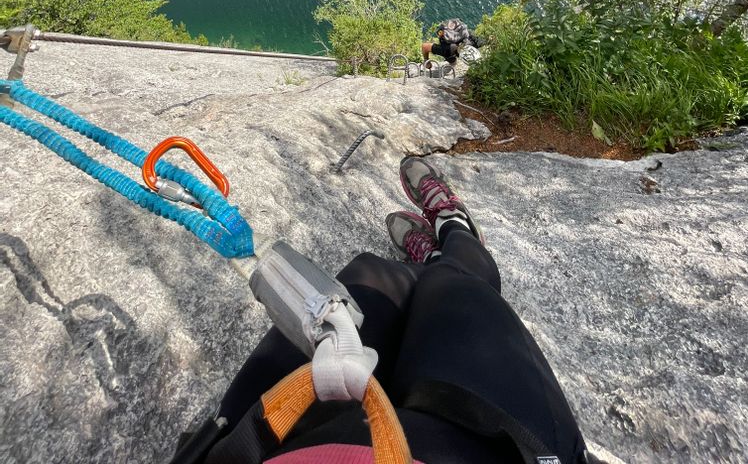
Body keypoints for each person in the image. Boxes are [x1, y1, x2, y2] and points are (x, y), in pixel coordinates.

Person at [180, 156, 592, 464]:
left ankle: (433, 261)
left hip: (271, 436)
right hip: (488, 447)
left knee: (368, 272)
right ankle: (453, 232)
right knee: (457, 287)